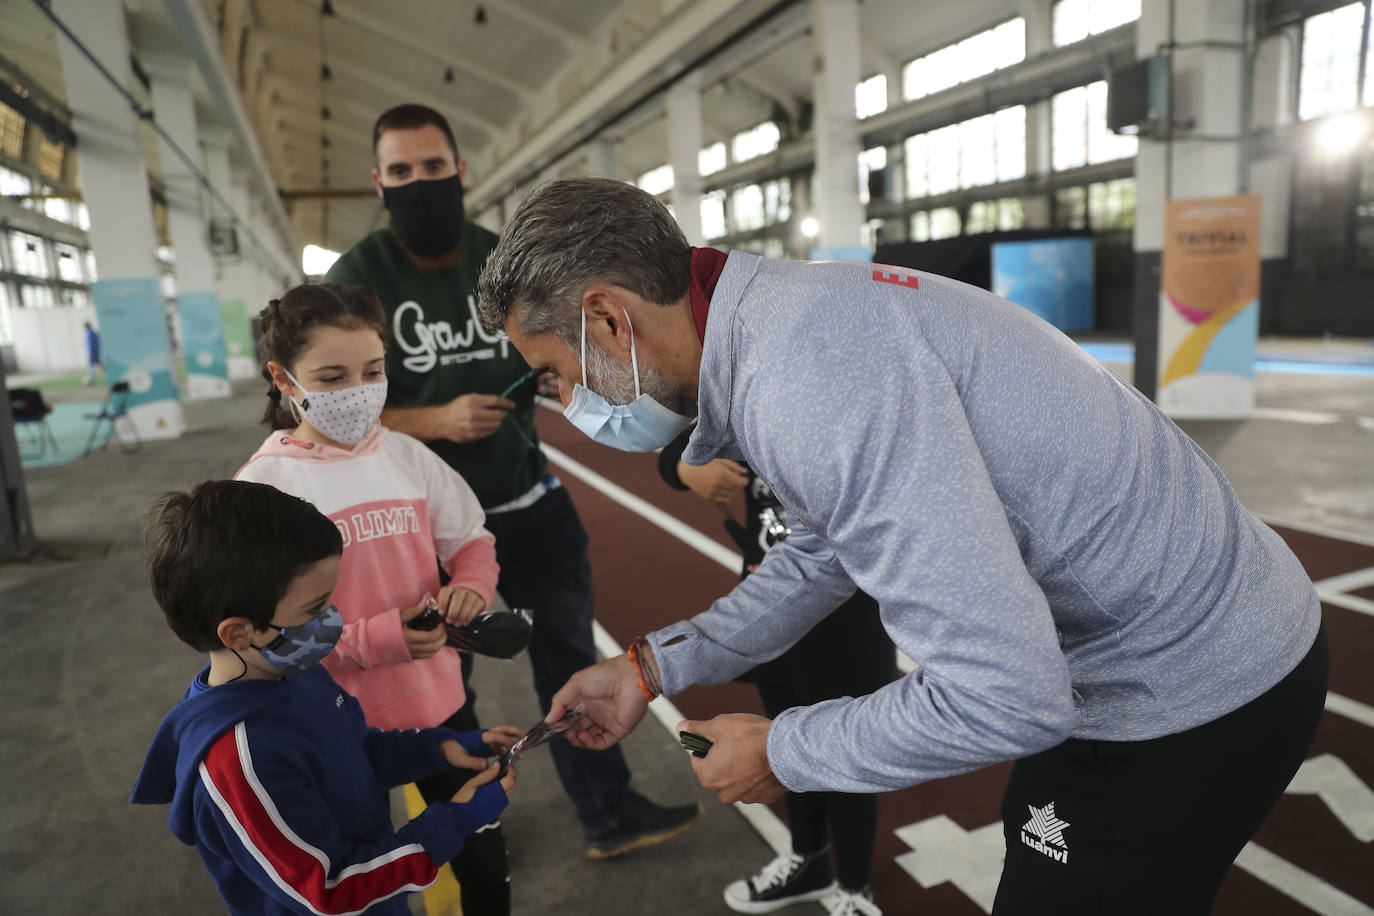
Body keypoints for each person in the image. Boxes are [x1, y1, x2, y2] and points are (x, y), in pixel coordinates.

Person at [475, 177, 1329, 915]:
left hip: (1192, 688)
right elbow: (823, 550)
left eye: (554, 375)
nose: (564, 401)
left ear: (607, 318)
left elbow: (1007, 698)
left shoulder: (805, 385)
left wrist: (783, 752)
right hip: (1165, 644)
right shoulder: (774, 322)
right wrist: (649, 668)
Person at [324, 104, 699, 858]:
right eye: (401, 172)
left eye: (433, 168)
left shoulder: (504, 263)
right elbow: (331, 410)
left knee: (569, 662)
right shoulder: (357, 278)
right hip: (424, 536)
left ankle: (609, 810)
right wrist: (437, 421)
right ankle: (471, 830)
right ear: (379, 182)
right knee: (442, 690)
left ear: (460, 172)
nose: (419, 184)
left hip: (531, 504)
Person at [235, 282, 514, 914]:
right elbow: (267, 631)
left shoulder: (409, 458)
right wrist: (379, 638)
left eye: (374, 371)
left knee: (480, 850)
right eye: (331, 377)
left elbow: (471, 540)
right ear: (283, 377)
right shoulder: (264, 486)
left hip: (438, 700)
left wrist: (469, 588)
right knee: (370, 864)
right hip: (339, 722)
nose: (358, 391)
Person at [130, 479, 519, 916]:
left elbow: (356, 751)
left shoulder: (295, 672)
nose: (333, 619)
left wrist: (438, 749)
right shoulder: (240, 761)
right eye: (314, 609)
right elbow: (329, 890)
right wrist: (456, 820)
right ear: (238, 633)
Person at [659, 429, 897, 916]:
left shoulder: (841, 407)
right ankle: (808, 858)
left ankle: (855, 888)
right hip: (767, 606)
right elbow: (675, 442)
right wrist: (686, 469)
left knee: (844, 754)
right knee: (780, 737)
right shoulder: (742, 398)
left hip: (845, 616)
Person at [83, 320, 100, 386]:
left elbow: (90, 344)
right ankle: (91, 380)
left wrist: (90, 352)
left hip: (92, 352)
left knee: (91, 367)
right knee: (98, 365)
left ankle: (91, 380)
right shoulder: (94, 333)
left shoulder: (89, 334)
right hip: (96, 351)